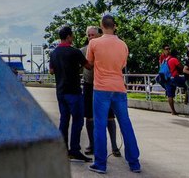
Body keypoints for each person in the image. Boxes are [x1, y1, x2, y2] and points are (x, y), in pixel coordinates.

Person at [86, 15, 141, 174]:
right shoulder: (123, 45)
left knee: (100, 125)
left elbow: (89, 63)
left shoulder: (94, 43)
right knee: (126, 124)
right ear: (114, 26)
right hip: (119, 87)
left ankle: (101, 164)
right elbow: (122, 64)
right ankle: (134, 163)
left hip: (101, 88)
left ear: (101, 26)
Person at [49, 25, 92, 163]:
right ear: (68, 36)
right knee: (78, 121)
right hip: (73, 92)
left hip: (60, 92)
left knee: (64, 120)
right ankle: (74, 150)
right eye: (72, 35)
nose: (73, 38)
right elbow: (88, 66)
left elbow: (51, 71)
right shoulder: (74, 52)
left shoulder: (54, 53)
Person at [80, 26, 120, 157]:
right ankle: (92, 144)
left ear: (99, 35)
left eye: (93, 35)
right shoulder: (82, 51)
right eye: (89, 35)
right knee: (89, 116)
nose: (91, 37)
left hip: (104, 86)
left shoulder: (107, 49)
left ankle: (114, 146)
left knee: (110, 116)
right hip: (89, 85)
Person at [164, 49, 184, 115]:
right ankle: (187, 101)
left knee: (170, 96)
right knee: (187, 85)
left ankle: (173, 111)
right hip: (174, 77)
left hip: (167, 79)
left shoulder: (166, 60)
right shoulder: (174, 59)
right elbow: (181, 67)